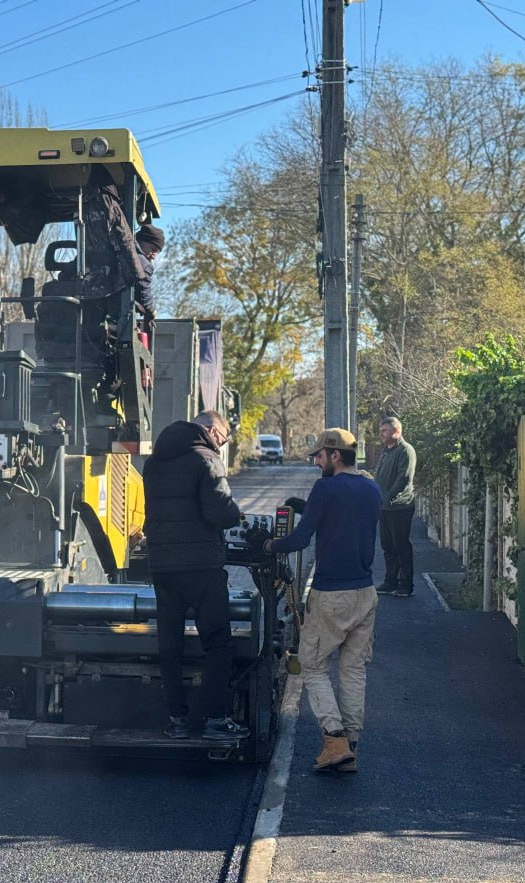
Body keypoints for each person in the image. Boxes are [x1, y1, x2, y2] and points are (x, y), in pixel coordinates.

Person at [261, 428, 381, 772]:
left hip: (331, 594)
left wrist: (270, 546)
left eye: (319, 456)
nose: (316, 461)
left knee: (312, 666)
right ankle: (351, 746)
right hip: (365, 593)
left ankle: (333, 738)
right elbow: (346, 520)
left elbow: (300, 539)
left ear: (335, 455)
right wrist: (307, 507)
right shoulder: (372, 488)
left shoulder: (326, 487)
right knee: (353, 669)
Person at [143, 410, 248, 741]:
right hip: (201, 564)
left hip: (163, 565)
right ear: (209, 429)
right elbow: (219, 510)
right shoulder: (206, 460)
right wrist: (236, 514)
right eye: (223, 437)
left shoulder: (154, 462)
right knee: (217, 641)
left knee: (170, 643)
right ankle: (216, 718)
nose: (222, 443)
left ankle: (177, 719)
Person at [375, 416, 417, 597]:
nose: (381, 434)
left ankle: (405, 585)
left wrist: (389, 498)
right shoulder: (386, 451)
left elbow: (404, 478)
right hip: (384, 507)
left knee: (401, 546)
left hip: (400, 507)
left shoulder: (405, 451)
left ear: (396, 431)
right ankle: (390, 581)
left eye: (384, 430)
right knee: (387, 545)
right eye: (381, 430)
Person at [133, 223, 165, 328]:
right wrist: (151, 310)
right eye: (153, 249)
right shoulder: (142, 263)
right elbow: (144, 292)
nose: (153, 256)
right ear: (142, 242)